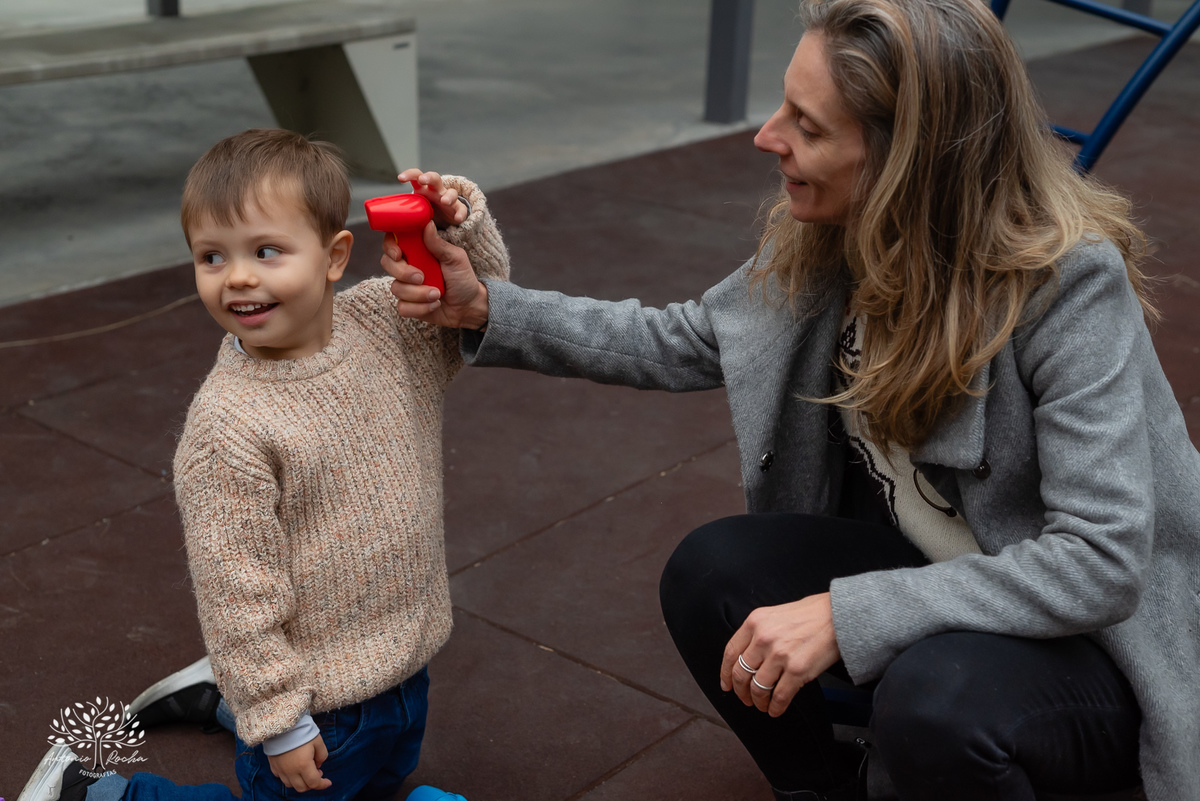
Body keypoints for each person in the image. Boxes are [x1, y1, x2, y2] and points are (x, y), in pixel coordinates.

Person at [379, 1, 1200, 799]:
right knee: (713, 574)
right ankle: (821, 784)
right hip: (952, 575)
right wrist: (486, 306)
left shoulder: (1070, 288)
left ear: (905, 159)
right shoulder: (840, 236)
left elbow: (1101, 564)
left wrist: (850, 614)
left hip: (1101, 647)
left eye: (808, 127)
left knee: (934, 705)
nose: (768, 136)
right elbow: (685, 338)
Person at [18, 128, 508, 801]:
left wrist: (459, 233)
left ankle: (226, 692)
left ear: (335, 256)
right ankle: (97, 791)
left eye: (266, 250)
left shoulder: (387, 327)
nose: (238, 276)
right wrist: (278, 719)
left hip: (402, 668)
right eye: (211, 256)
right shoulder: (229, 426)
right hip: (317, 699)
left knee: (380, 781)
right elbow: (234, 593)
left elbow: (477, 307)